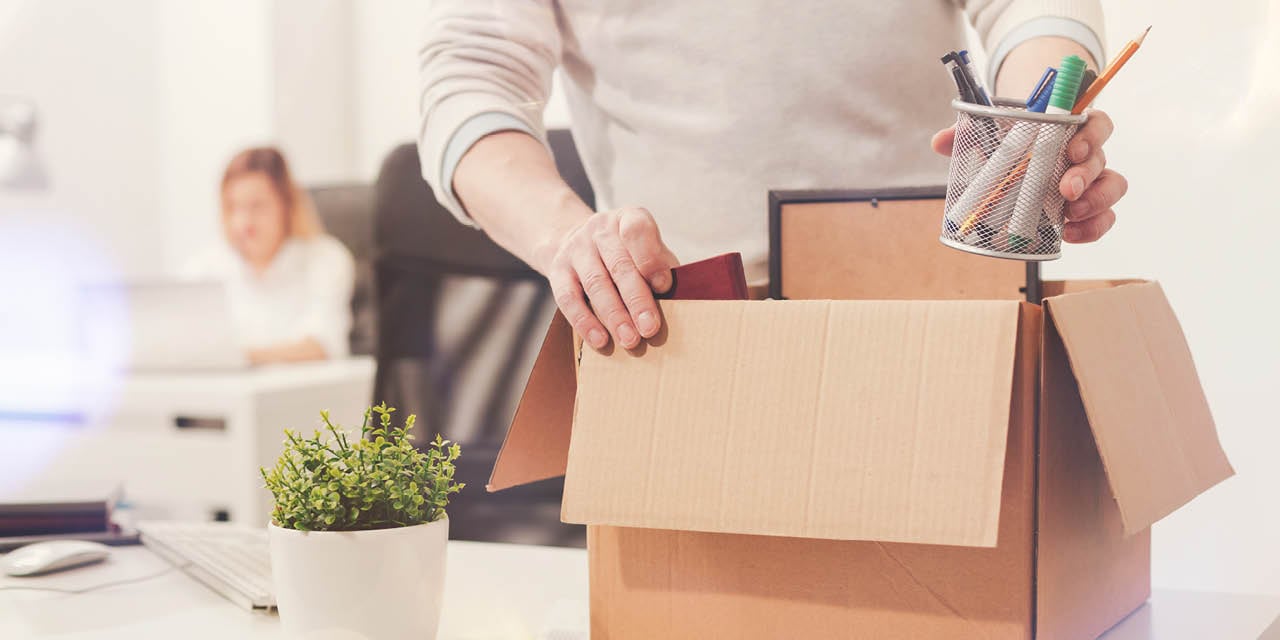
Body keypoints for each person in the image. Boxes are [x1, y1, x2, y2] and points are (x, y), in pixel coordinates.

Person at [418, 1, 1126, 352]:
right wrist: (565, 237)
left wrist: (1037, 133)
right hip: (684, 330)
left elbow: (1034, 9)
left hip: (939, 319)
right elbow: (471, 80)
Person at [184, 147, 355, 365]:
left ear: (286, 205)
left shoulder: (326, 259)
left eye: (257, 206)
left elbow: (324, 345)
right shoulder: (205, 267)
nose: (243, 222)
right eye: (233, 207)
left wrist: (239, 358)